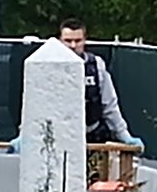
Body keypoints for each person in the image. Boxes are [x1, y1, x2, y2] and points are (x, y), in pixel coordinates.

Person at [58, 19, 143, 152]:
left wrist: (124, 135)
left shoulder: (96, 65)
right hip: (62, 139)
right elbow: (36, 105)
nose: (73, 45)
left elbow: (109, 105)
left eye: (78, 40)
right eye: (68, 41)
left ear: (85, 40)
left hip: (93, 137)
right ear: (60, 41)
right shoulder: (50, 67)